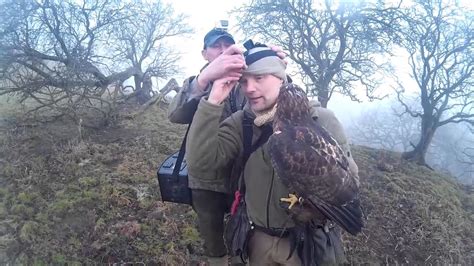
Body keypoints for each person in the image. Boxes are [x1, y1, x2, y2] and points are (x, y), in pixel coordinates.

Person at [185, 42, 359, 265]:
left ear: (280, 77)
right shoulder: (242, 123)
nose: (249, 88)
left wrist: (314, 209)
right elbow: (200, 165)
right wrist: (213, 101)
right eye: (244, 81)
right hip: (257, 241)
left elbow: (349, 183)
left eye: (259, 78)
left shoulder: (321, 120)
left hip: (307, 244)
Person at [168, 29, 286, 265]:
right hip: (206, 177)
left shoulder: (247, 78)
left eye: (228, 45)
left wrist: (275, 69)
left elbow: (277, 107)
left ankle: (241, 257)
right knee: (211, 232)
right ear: (204, 54)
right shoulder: (198, 82)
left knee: (243, 224)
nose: (223, 50)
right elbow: (175, 114)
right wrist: (204, 81)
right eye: (216, 46)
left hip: (242, 171)